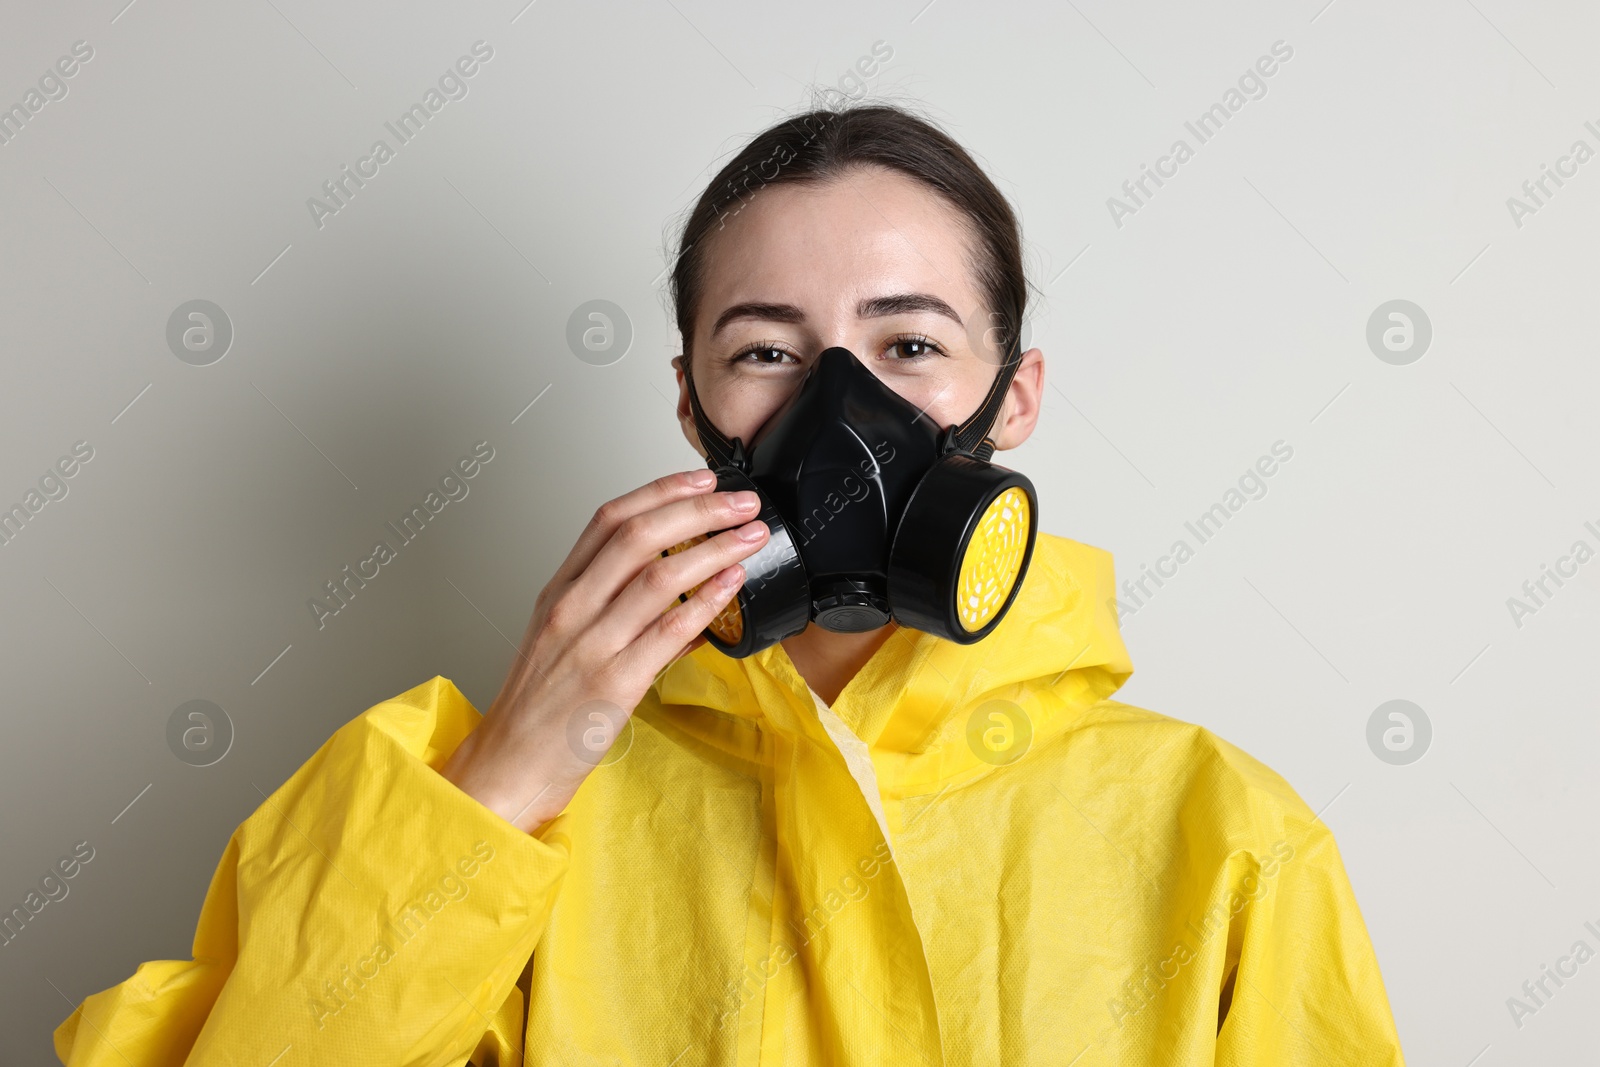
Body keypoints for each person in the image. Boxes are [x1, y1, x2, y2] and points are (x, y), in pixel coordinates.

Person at [54, 102, 1406, 1065]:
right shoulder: (481, 808)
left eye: (912, 342)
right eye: (767, 353)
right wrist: (510, 781)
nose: (842, 409)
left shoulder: (1224, 839)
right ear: (694, 411)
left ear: (1017, 396)